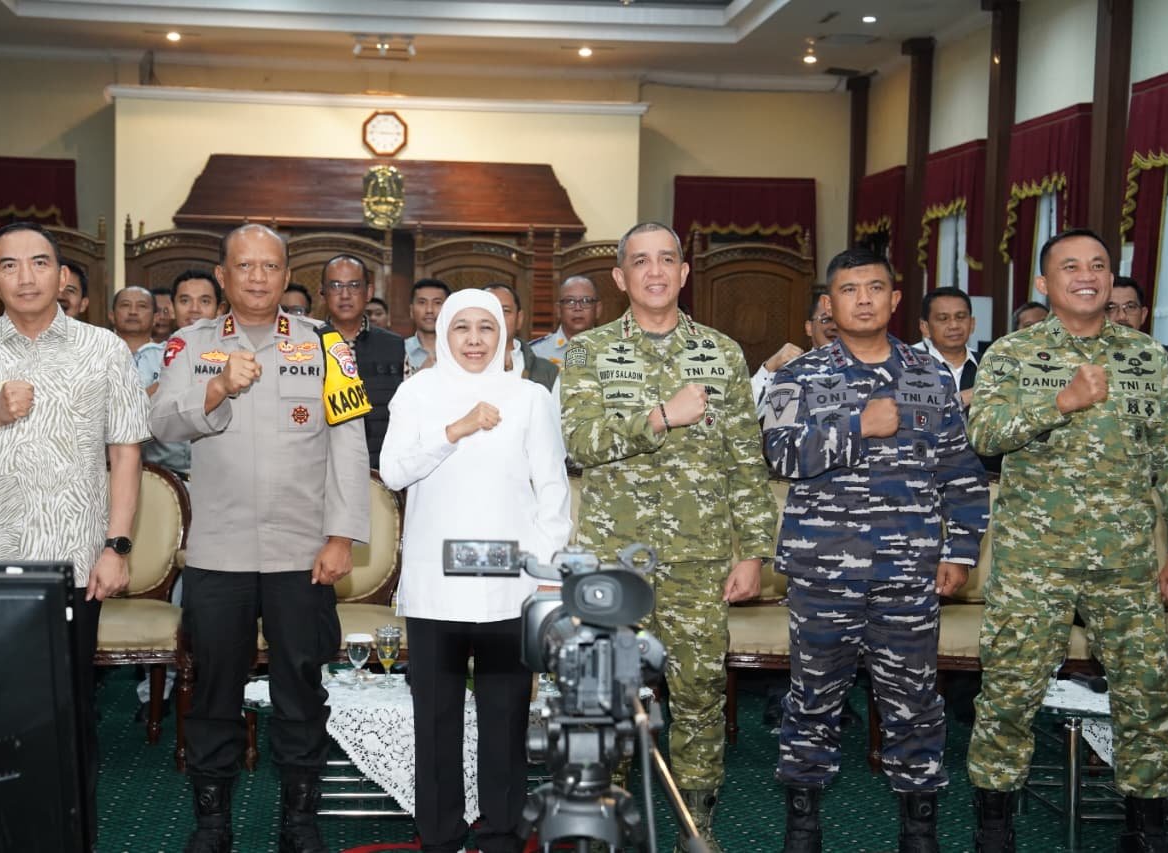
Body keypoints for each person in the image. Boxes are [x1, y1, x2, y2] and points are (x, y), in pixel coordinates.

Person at [0, 221, 149, 845]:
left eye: (40, 262)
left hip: (70, 564)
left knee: (67, 713)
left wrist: (117, 546)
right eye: (10, 265)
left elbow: (126, 454)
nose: (27, 276)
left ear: (63, 276)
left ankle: (67, 834)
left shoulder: (104, 349)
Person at [150, 223, 370, 853]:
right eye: (244, 266)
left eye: (269, 266)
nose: (257, 277)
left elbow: (349, 445)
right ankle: (211, 823)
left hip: (303, 552)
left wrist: (342, 536)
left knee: (301, 689)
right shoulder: (191, 344)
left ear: (286, 275)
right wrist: (216, 387)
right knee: (214, 689)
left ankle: (300, 822)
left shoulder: (324, 345)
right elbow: (159, 423)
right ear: (222, 276)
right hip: (219, 550)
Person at [761, 247, 989, 853]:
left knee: (914, 702)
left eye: (875, 288)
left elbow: (961, 474)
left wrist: (961, 551)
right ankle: (802, 827)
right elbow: (778, 454)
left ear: (895, 299)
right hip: (822, 572)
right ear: (829, 304)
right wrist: (858, 426)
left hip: (909, 572)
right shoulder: (798, 376)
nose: (863, 299)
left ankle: (919, 828)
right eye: (848, 290)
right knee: (813, 701)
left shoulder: (930, 375)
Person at [561, 222, 777, 853]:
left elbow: (747, 460)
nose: (654, 272)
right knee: (608, 695)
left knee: (700, 694)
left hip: (699, 559)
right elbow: (579, 442)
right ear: (620, 277)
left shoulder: (722, 352)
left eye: (666, 260)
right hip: (615, 559)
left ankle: (695, 822)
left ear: (683, 273)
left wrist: (753, 552)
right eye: (640, 261)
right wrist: (661, 416)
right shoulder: (588, 352)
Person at [967, 229, 1168, 853]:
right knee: (1009, 694)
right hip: (1036, 562)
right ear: (1044, 282)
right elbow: (984, 435)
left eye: (1098, 265)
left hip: (1126, 561)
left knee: (1146, 695)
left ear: (1111, 279)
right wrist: (1061, 401)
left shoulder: (1147, 357)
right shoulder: (1012, 353)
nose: (1087, 275)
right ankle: (994, 827)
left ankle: (1145, 828)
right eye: (1070, 266)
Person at [380, 288, 570, 853]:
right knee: (435, 719)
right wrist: (454, 430)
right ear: (442, 332)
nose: (474, 339)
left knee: (505, 718)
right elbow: (392, 472)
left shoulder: (530, 397)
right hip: (435, 585)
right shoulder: (417, 393)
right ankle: (439, 835)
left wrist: (547, 573)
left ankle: (500, 834)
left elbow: (553, 489)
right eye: (461, 327)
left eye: (486, 327)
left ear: (504, 334)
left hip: (509, 586)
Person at [321, 254, 405, 469]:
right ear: (323, 293)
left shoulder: (396, 346)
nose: (345, 295)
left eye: (354, 286)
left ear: (368, 292)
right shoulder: (307, 345)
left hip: (382, 469)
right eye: (336, 286)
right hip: (324, 468)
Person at [750, 290, 838, 410]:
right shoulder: (791, 370)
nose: (835, 326)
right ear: (809, 328)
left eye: (841, 320)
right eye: (827, 319)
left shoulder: (861, 367)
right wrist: (770, 367)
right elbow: (741, 411)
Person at [483, 282, 559, 392]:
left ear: (519, 319)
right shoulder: (462, 366)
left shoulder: (547, 372)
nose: (497, 317)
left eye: (505, 311)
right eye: (489, 310)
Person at [914, 286, 982, 407]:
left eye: (960, 317)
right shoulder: (906, 364)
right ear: (925, 327)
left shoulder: (987, 364)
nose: (954, 325)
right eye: (943, 319)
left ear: (972, 324)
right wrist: (972, 395)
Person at [530, 275, 602, 368]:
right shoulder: (535, 353)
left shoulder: (614, 350)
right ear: (558, 310)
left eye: (586, 301)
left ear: (598, 309)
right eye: (570, 301)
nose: (578, 308)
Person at [113, 285, 165, 395]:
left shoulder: (169, 356)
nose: (133, 312)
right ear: (112, 316)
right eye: (125, 305)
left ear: (155, 318)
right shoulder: (94, 353)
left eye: (142, 306)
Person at [406, 278, 450, 372]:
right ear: (411, 311)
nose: (429, 310)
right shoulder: (399, 351)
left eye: (437, 303)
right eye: (422, 302)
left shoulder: (459, 350)